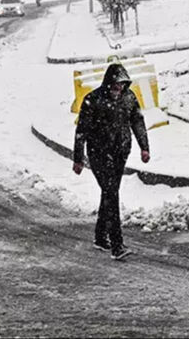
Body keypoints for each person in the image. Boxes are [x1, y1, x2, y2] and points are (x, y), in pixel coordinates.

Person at [73, 63, 150, 261]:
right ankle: (117, 245)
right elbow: (81, 130)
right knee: (111, 193)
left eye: (122, 84)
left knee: (109, 193)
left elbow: (137, 122)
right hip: (99, 154)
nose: (119, 88)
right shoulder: (93, 99)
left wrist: (144, 147)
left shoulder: (129, 97)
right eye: (116, 84)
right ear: (109, 83)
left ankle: (100, 237)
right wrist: (78, 159)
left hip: (120, 153)